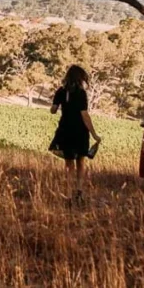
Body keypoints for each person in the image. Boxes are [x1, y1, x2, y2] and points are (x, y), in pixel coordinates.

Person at [49, 65, 102, 200]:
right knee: (80, 161)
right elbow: (84, 115)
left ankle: (68, 192)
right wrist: (94, 134)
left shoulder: (61, 91)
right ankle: (78, 190)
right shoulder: (81, 93)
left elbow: (53, 110)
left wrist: (57, 104)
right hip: (79, 131)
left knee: (69, 162)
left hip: (65, 129)